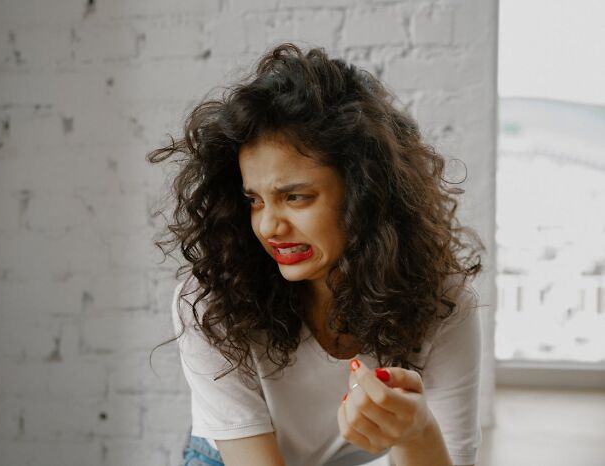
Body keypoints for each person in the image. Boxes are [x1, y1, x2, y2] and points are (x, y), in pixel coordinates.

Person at [148, 43, 485, 466]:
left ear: (365, 194)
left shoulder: (442, 299)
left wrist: (417, 432)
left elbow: (451, 457)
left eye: (296, 197)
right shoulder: (209, 300)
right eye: (254, 200)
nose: (269, 226)